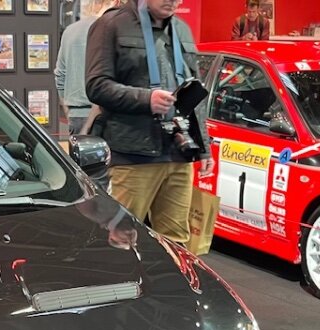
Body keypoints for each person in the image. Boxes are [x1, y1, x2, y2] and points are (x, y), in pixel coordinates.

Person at [86, 0, 213, 245]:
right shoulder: (111, 25)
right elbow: (96, 85)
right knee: (123, 237)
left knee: (176, 242)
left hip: (178, 155)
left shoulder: (182, 30)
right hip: (133, 156)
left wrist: (204, 146)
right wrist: (146, 99)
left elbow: (195, 93)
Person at [56, 0, 112, 135]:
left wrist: (69, 113)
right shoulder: (111, 29)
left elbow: (60, 76)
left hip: (75, 115)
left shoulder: (70, 31)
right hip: (106, 116)